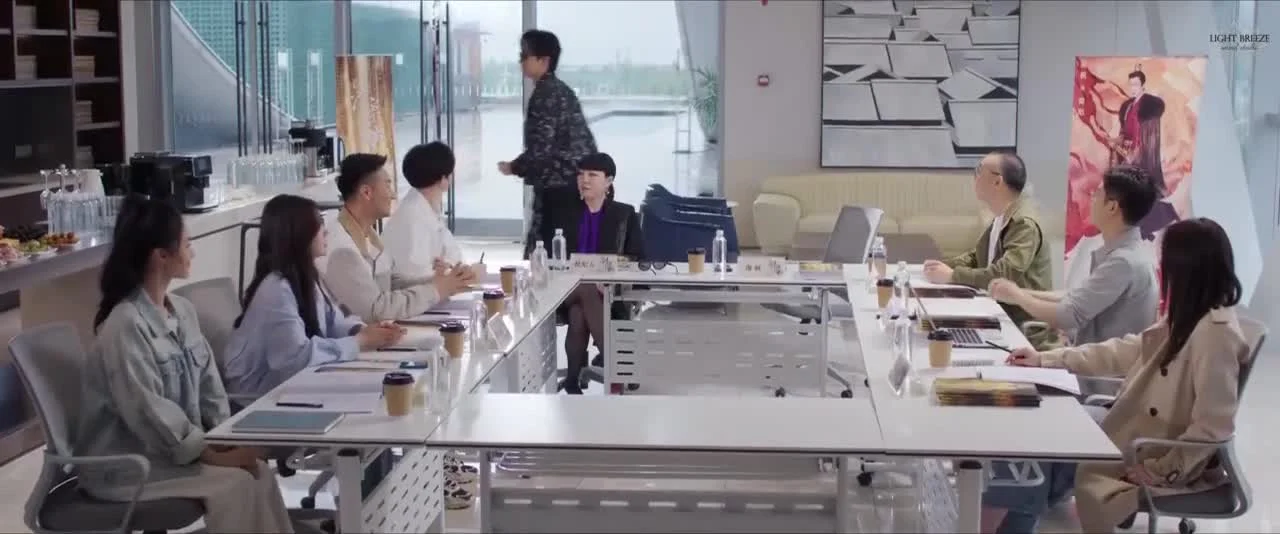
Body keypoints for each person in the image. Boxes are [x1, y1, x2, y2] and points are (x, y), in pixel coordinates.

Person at [981, 218, 1248, 533]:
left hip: (1153, 447)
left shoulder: (1215, 334)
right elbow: (1122, 351)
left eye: (1166, 264)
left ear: (1186, 270)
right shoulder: (1188, 316)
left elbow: (1213, 427)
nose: (1162, 271)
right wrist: (1046, 359)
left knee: (1035, 440)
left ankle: (1011, 524)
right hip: (1135, 425)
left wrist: (1162, 470)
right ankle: (1015, 521)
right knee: (1032, 430)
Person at [75, 196, 294, 533]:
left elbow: (210, 388)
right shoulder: (125, 325)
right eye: (187, 244)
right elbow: (149, 411)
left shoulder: (182, 311)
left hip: (172, 452)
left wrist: (225, 438)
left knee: (259, 473)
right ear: (161, 256)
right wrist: (210, 454)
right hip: (128, 466)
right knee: (234, 485)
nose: (193, 252)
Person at [223, 194, 405, 397]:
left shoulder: (306, 276)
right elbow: (295, 359)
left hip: (294, 385)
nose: (325, 231)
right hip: (257, 398)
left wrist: (365, 331)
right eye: (319, 224)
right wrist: (359, 341)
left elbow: (334, 321)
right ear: (299, 234)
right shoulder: (276, 289)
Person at [988, 166, 1160, 346]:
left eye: (1096, 194)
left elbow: (1068, 315)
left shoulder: (1124, 262)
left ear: (1112, 207)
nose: (1091, 200)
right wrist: (1018, 292)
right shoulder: (1126, 254)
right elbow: (1075, 296)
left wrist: (1018, 297)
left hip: (1102, 363)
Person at [321, 153, 471, 322]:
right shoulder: (342, 249)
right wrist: (436, 290)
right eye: (387, 185)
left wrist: (442, 281)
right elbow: (376, 310)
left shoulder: (369, 237)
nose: (393, 195)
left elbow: (389, 284)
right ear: (366, 192)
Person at [544, 153, 644, 394]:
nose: (584, 180)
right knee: (586, 288)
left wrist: (609, 275)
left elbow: (637, 258)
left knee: (579, 313)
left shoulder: (624, 214)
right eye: (581, 174)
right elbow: (548, 255)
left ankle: (572, 382)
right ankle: (616, 362)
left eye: (592, 175)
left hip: (608, 292)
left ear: (608, 181)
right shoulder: (564, 213)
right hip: (565, 289)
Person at [497, 29, 598, 258]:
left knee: (546, 255)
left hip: (560, 188)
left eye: (525, 56)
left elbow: (541, 149)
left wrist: (514, 167)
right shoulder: (560, 90)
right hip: (573, 185)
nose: (521, 61)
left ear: (543, 60)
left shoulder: (546, 94)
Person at [923, 151, 1052, 327]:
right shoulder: (1002, 215)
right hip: (997, 313)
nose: (974, 177)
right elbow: (978, 257)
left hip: (1021, 330)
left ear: (997, 182)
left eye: (979, 170)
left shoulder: (1023, 224)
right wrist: (943, 266)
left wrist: (953, 276)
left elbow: (1003, 275)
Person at [383, 142, 482, 284]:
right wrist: (446, 272)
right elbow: (413, 276)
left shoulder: (426, 208)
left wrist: (449, 267)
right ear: (443, 179)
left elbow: (453, 256)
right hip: (417, 294)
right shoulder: (412, 217)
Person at [1111, 67, 1179, 240]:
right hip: (1126, 153)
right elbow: (1124, 130)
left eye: (1135, 84)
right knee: (1128, 192)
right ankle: (1135, 229)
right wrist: (1116, 141)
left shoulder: (1148, 107)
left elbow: (1147, 136)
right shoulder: (1128, 106)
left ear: (1142, 85)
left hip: (1141, 155)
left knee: (1141, 192)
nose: (1132, 88)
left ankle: (1147, 228)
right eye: (1131, 84)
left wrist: (1136, 153)